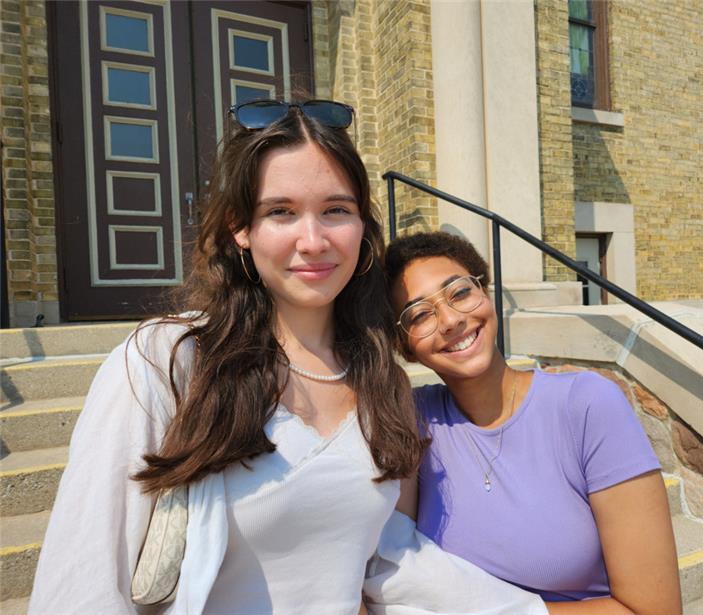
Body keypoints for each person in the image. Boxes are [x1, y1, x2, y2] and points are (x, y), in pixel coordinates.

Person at [29, 102, 546, 615]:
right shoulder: (169, 360)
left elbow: (387, 559)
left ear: (362, 226)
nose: (313, 240)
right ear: (241, 228)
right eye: (281, 211)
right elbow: (85, 580)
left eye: (336, 210)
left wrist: (536, 612)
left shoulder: (378, 378)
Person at [385, 231, 683, 614]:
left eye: (459, 293)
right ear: (404, 346)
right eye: (420, 314)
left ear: (485, 292)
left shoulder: (587, 406)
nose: (450, 320)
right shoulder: (413, 422)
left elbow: (654, 610)